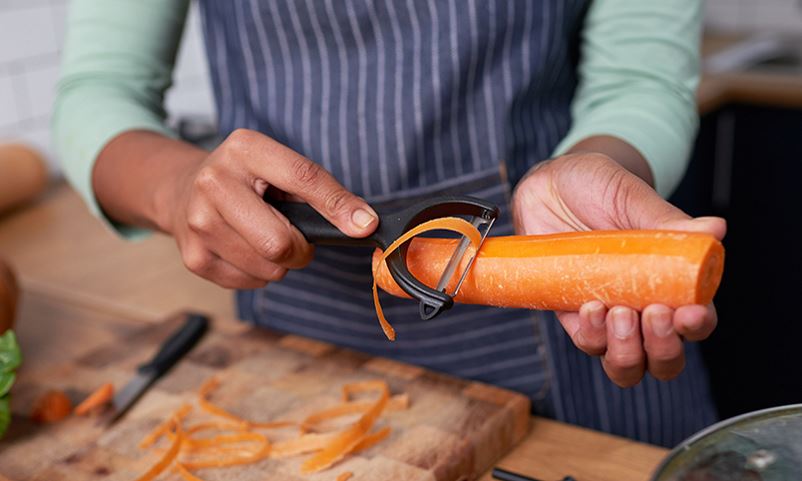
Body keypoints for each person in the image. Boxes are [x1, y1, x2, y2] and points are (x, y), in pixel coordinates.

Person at [54, 0, 726, 447]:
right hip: (293, 344)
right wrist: (176, 189)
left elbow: (638, 80)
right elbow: (98, 91)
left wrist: (594, 165)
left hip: (575, 322)